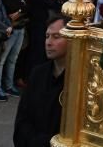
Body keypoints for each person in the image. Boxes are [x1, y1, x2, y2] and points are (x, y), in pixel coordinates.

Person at [13, 13, 68, 147]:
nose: (49, 42)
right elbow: (22, 120)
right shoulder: (37, 74)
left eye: (56, 37)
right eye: (47, 36)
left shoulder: (79, 80)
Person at [0, 0, 27, 96]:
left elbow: (26, 8)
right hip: (10, 30)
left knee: (13, 59)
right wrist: (19, 10)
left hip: (21, 28)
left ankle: (9, 85)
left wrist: (18, 11)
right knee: (2, 59)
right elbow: (7, 13)